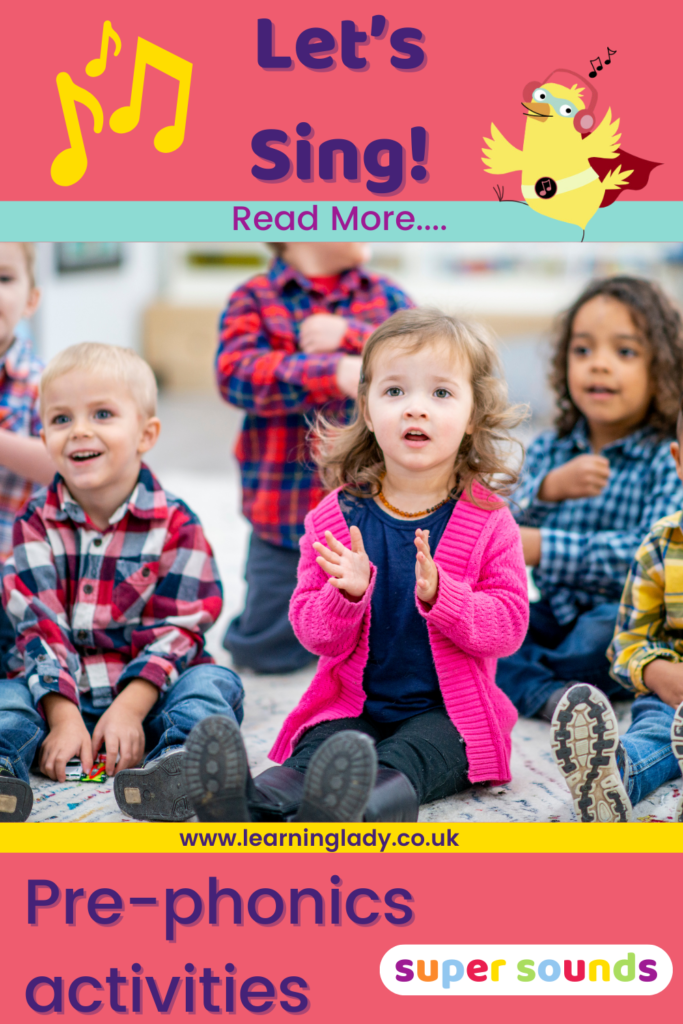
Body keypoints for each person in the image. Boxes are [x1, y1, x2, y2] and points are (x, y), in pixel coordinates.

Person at [182, 309, 529, 824]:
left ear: (474, 413)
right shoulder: (334, 515)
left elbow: (509, 627)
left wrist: (445, 598)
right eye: (395, 392)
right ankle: (248, 802)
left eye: (441, 394)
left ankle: (357, 810)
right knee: (322, 747)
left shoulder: (489, 521)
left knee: (411, 755)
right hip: (355, 703)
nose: (416, 409)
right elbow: (313, 634)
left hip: (448, 714)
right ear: (366, 407)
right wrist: (343, 596)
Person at [0, 343, 243, 822]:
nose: (80, 431)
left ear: (146, 433)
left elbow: (181, 629)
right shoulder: (33, 524)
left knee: (213, 683)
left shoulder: (176, 524)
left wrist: (132, 708)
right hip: (50, 693)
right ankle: (5, 770)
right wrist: (63, 713)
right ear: (44, 435)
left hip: (151, 693)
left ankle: (179, 765)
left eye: (103, 414)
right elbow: (37, 627)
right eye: (61, 419)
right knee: (6, 698)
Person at [215, 242, 414, 674]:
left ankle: (352, 642)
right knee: (264, 649)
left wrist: (350, 338)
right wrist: (330, 372)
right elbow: (235, 374)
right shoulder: (254, 296)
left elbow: (423, 354)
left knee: (392, 633)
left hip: (376, 510)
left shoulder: (388, 297)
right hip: (282, 516)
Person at [497, 277, 683, 721]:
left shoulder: (666, 456)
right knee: (485, 630)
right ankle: (554, 696)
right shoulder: (550, 449)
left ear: (663, 369)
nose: (598, 365)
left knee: (600, 635)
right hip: (555, 610)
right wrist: (545, 490)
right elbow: (491, 530)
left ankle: (531, 683)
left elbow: (645, 552)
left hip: (621, 619)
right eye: (582, 350)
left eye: (625, 352)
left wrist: (541, 545)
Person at [549, 405, 683, 822]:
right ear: (679, 462)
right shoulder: (661, 545)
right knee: (655, 729)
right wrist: (658, 672)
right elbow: (627, 641)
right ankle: (614, 778)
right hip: (674, 691)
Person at [0, 243, 57, 668]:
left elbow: (65, 465)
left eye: (4, 278)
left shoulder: (45, 384)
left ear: (30, 301)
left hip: (16, 576)